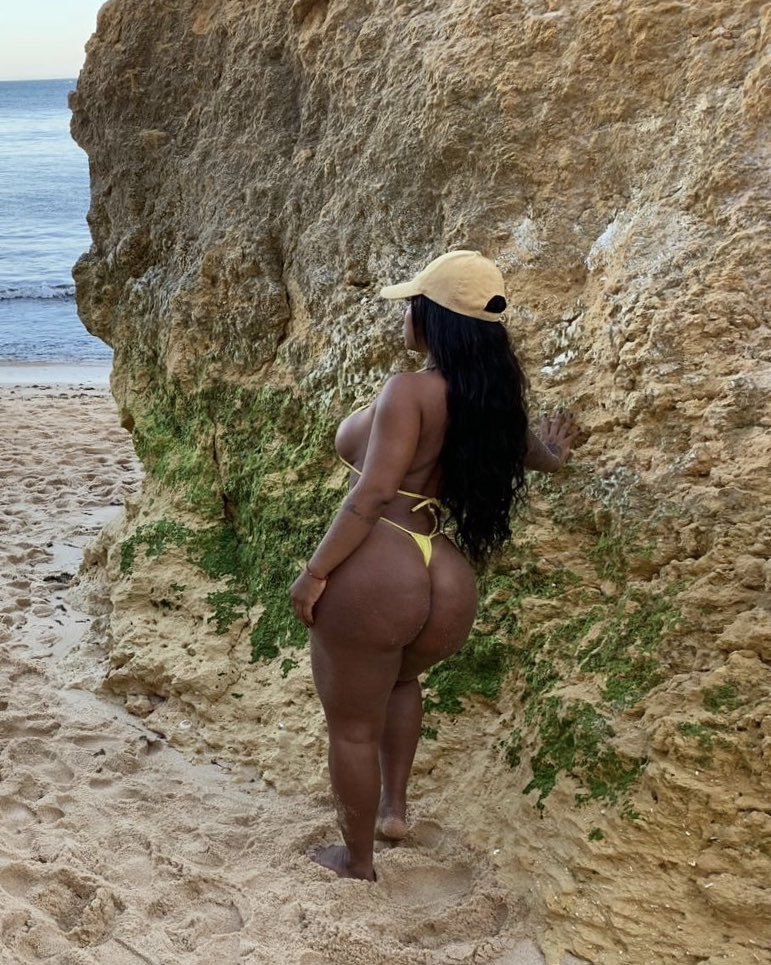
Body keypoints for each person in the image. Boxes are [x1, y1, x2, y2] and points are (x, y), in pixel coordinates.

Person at [290, 250, 581, 882]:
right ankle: (393, 811)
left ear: (434, 318)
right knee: (400, 682)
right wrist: (557, 452)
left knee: (352, 729)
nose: (406, 316)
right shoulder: (491, 397)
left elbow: (371, 495)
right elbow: (537, 457)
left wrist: (315, 572)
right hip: (443, 573)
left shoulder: (410, 391)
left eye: (413, 305)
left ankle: (356, 862)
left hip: (383, 563)